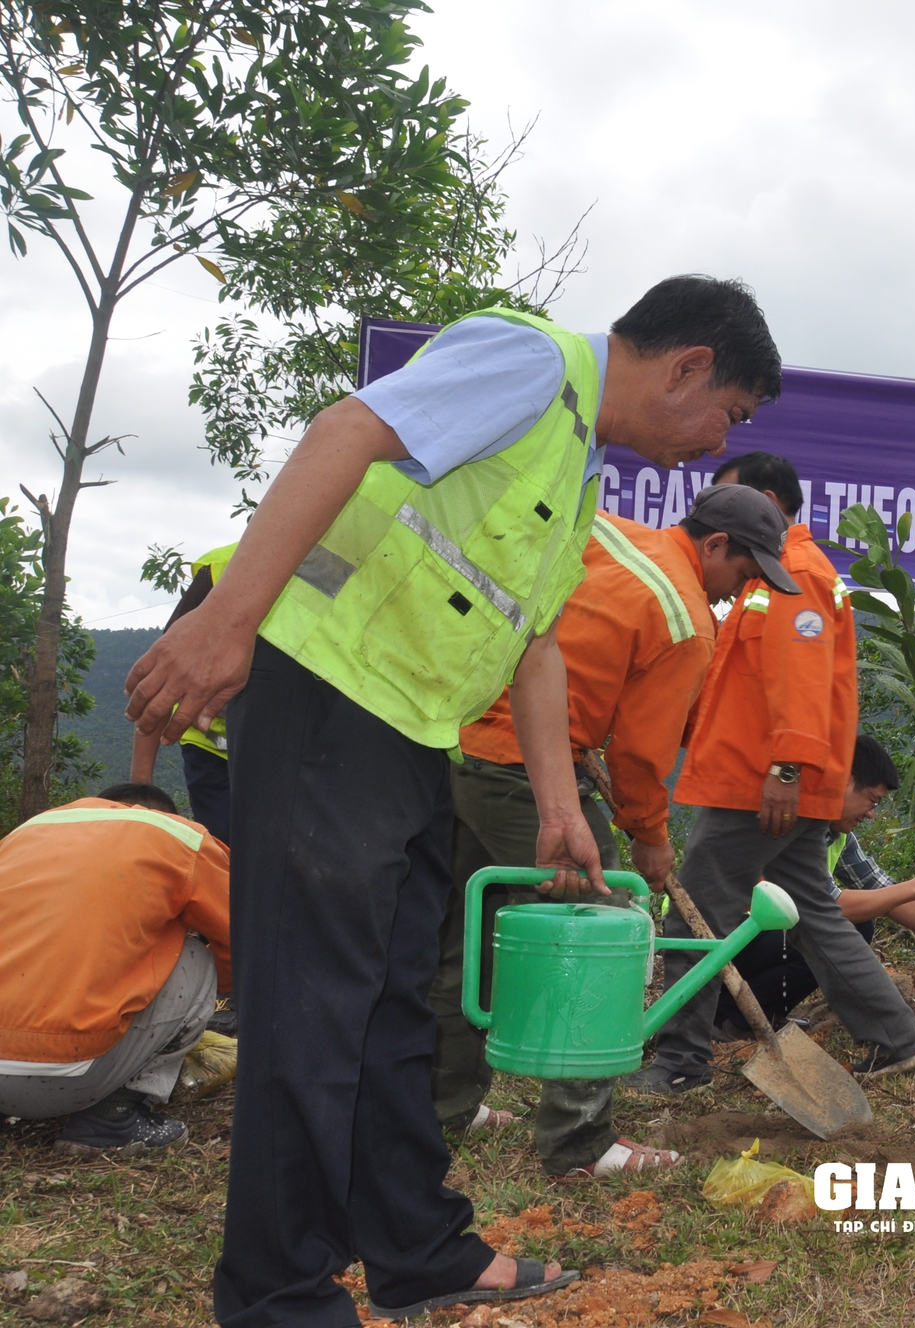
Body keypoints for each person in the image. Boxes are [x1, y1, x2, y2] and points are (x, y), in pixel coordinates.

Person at [123, 276, 781, 1326]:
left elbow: (533, 642)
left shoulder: (578, 465)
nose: (714, 439)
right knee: (315, 1009)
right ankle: (278, 1294)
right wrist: (227, 620)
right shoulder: (530, 364)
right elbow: (347, 428)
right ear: (689, 365)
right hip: (324, 690)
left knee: (395, 1001)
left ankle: (415, 1244)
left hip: (407, 728)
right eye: (727, 415)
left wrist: (561, 804)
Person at [430, 486, 788, 1179]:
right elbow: (642, 760)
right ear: (714, 546)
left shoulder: (617, 536)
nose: (728, 597)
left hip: (459, 740)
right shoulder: (684, 616)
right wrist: (649, 838)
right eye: (739, 577)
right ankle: (580, 1142)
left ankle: (443, 1104)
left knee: (464, 934)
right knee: (606, 936)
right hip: (530, 764)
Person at [625, 452, 915, 1092]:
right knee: (816, 912)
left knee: (695, 916)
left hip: (765, 785)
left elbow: (799, 678)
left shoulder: (793, 571)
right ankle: (896, 1039)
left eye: (729, 500)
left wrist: (787, 767)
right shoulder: (786, 573)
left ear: (765, 501)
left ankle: (680, 1065)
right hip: (775, 781)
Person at [0, 783, 228, 1153]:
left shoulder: (29, 832)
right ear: (167, 815)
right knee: (197, 959)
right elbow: (241, 938)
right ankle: (111, 1117)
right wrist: (222, 998)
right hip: (62, 1076)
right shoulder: (180, 837)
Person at [718, 733, 915, 1035]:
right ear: (843, 782)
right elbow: (827, 907)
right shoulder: (789, 820)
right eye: (871, 800)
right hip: (719, 929)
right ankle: (735, 1020)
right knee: (843, 928)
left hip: (753, 938)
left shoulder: (837, 834)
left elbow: (883, 891)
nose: (871, 814)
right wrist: (913, 886)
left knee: (844, 926)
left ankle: (752, 1013)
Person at [130, 544, 236, 844]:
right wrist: (141, 790)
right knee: (228, 856)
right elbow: (166, 673)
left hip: (298, 755)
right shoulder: (223, 568)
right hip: (214, 755)